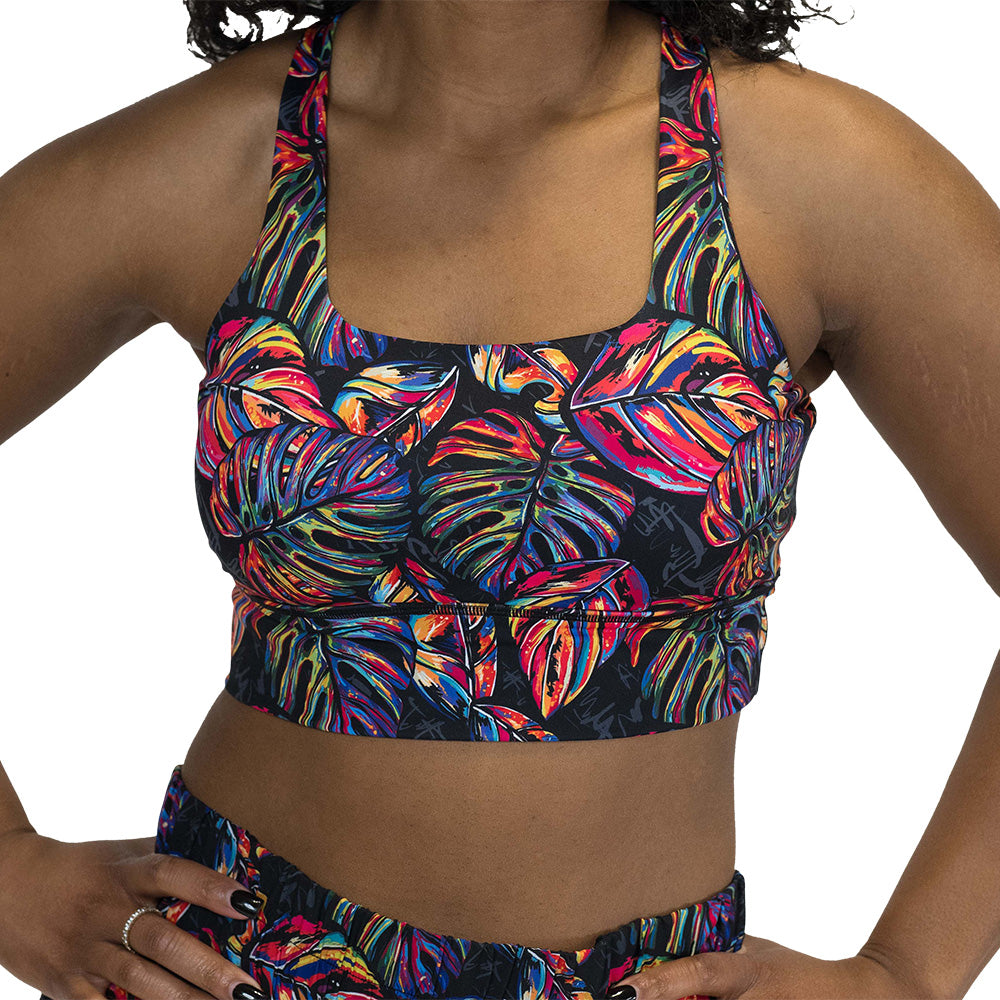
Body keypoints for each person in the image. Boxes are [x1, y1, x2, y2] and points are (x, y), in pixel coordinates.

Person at [1, 1, 999, 998]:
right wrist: (8, 874)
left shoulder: (808, 167)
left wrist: (906, 975)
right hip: (251, 963)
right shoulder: (219, 156)